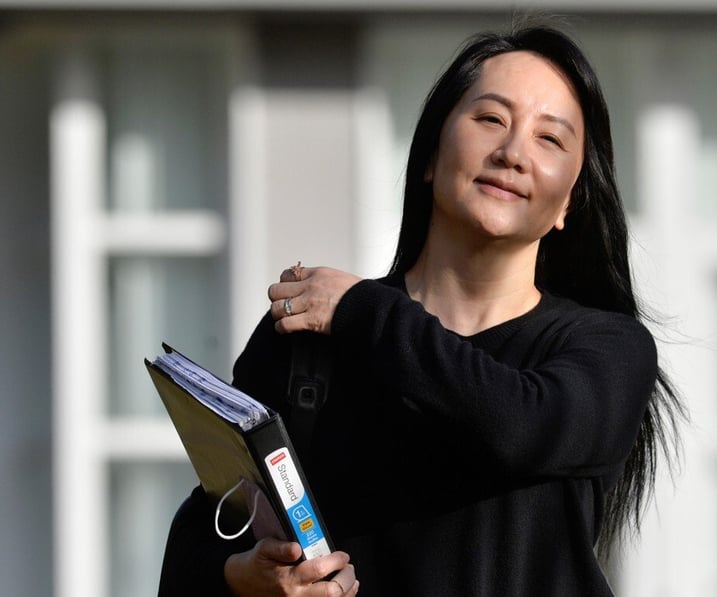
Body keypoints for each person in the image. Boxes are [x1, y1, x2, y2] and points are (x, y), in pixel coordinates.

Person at [158, 22, 683, 596]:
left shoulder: (605, 348)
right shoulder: (310, 337)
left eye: (550, 139)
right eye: (490, 119)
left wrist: (367, 312)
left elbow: (518, 427)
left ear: (569, 204)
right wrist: (245, 576)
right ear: (431, 154)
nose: (512, 153)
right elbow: (203, 532)